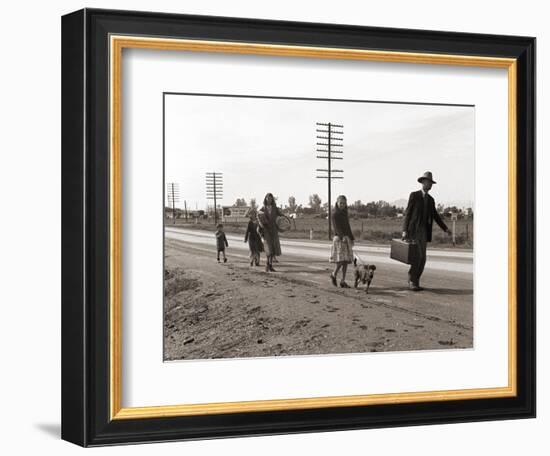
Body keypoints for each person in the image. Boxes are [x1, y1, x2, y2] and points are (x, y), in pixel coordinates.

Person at [402, 171, 452, 291]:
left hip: (424, 232)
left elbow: (435, 216)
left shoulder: (430, 200)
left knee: (423, 258)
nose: (430, 185)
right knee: (417, 257)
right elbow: (408, 214)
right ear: (423, 182)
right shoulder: (414, 195)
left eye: (431, 183)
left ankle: (416, 281)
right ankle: (412, 280)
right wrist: (404, 230)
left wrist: (445, 229)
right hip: (414, 231)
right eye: (428, 182)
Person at [329, 195, 355, 288]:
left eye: (344, 203)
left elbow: (348, 227)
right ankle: (333, 274)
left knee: (346, 261)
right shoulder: (334, 214)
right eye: (341, 203)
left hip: (347, 239)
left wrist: (351, 238)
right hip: (339, 239)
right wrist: (342, 236)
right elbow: (337, 227)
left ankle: (343, 281)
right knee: (340, 261)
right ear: (337, 202)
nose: (342, 205)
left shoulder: (345, 213)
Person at [257, 193, 284, 272]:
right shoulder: (262, 209)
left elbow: (281, 215)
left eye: (270, 198)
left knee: (273, 248)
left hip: (274, 230)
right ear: (265, 199)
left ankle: (270, 265)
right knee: (268, 248)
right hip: (266, 231)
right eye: (267, 198)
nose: (269, 200)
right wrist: (261, 224)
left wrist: (285, 218)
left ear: (272, 199)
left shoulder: (275, 208)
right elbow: (258, 217)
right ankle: (267, 264)